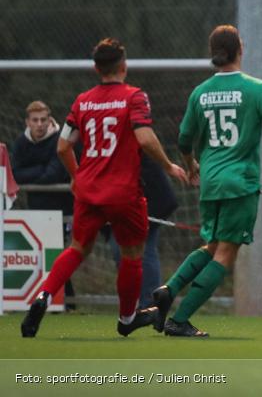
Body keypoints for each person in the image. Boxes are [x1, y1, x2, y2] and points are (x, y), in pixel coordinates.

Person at [152, 25, 262, 338]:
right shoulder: (256, 89)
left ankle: (169, 289)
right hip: (239, 184)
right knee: (226, 253)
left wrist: (190, 167)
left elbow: (184, 139)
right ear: (240, 49)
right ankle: (179, 320)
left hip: (211, 183)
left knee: (212, 245)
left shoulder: (200, 93)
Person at [20, 38, 188, 338]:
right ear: (123, 66)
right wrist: (168, 166)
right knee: (133, 254)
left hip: (89, 190)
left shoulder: (82, 100)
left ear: (96, 68)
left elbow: (62, 146)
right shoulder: (134, 96)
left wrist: (76, 175)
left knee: (77, 248)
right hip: (124, 192)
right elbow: (146, 139)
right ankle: (126, 319)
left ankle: (43, 295)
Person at [11, 101, 78, 308]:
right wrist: (40, 169)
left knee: (59, 255)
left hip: (63, 211)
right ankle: (60, 303)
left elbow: (54, 174)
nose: (39, 124)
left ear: (49, 120)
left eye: (43, 120)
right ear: (27, 122)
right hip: (36, 212)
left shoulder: (59, 140)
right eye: (35, 120)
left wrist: (32, 173)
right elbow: (15, 173)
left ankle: (67, 302)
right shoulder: (22, 143)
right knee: (44, 258)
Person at [109, 155, 179, 308]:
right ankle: (140, 304)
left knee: (143, 251)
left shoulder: (138, 147)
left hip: (150, 203)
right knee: (125, 251)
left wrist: (168, 165)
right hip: (126, 204)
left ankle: (149, 304)